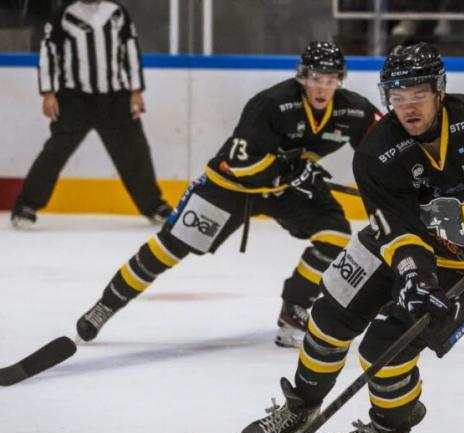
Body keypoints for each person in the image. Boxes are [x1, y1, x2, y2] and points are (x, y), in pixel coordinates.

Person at [239, 42, 464, 433]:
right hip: (399, 248)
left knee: (384, 352)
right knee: (328, 316)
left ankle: (388, 428)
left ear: (439, 90)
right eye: (398, 98)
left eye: (418, 95)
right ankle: (302, 404)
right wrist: (416, 278)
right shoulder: (376, 151)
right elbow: (396, 232)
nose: (409, 108)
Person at [74, 41, 382, 348]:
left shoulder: (351, 109)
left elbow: (384, 139)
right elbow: (239, 163)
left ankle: (294, 310)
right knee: (168, 248)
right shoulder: (271, 104)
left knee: (335, 233)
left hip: (286, 189)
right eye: (316, 78)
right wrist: (292, 172)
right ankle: (106, 306)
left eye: (330, 80)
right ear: (302, 76)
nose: (322, 88)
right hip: (230, 187)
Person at [10, 0, 171, 228]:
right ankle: (26, 205)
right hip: (75, 99)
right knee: (54, 153)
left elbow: (131, 49)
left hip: (115, 98)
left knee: (135, 152)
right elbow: (48, 51)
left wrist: (136, 91)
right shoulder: (64, 13)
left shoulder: (116, 11)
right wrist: (48, 93)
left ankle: (154, 206)